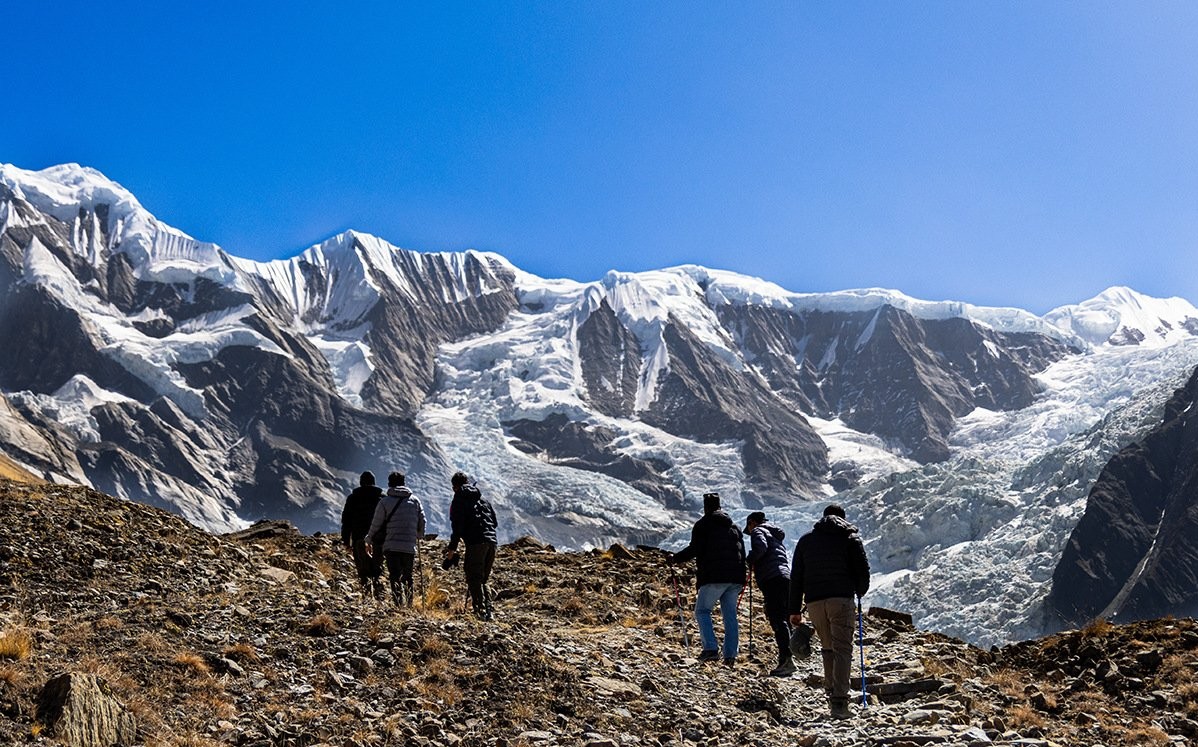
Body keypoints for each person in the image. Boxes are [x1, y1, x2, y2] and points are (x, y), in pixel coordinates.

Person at [788, 504, 871, 719]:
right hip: (841, 600)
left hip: (815, 603)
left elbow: (796, 576)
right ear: (843, 518)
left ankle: (830, 690)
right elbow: (862, 569)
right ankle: (840, 702)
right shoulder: (849, 538)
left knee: (827, 647)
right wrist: (860, 591)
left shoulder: (806, 541)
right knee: (842, 648)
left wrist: (794, 609)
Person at [668, 492, 747, 666]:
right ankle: (730, 655)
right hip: (735, 578)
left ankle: (710, 649)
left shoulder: (703, 525)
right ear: (720, 506)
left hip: (713, 576)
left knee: (702, 611)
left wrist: (675, 558)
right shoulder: (734, 526)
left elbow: (694, 548)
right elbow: (742, 552)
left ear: (705, 507)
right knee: (730, 615)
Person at [744, 511, 795, 677]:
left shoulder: (758, 531)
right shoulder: (775, 535)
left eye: (749, 527)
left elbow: (761, 548)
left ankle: (786, 661)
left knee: (777, 618)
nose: (749, 531)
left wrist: (750, 559)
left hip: (771, 577)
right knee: (785, 616)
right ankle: (794, 652)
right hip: (785, 576)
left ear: (752, 522)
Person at [444, 472, 498, 620]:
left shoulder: (458, 500)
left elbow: (457, 528)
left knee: (474, 577)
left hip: (475, 543)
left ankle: (479, 612)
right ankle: (489, 611)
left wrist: (452, 550)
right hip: (492, 542)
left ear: (455, 487)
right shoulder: (484, 500)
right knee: (483, 579)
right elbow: (494, 522)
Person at [367, 471, 426, 607]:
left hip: (391, 545)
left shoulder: (384, 502)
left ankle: (399, 604)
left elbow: (376, 523)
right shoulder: (415, 501)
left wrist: (369, 539)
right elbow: (422, 520)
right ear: (404, 483)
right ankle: (410, 604)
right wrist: (419, 535)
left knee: (394, 575)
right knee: (408, 575)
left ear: (389, 484)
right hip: (409, 547)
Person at [340, 471, 384, 597]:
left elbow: (346, 521)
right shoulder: (381, 498)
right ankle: (378, 593)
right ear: (374, 482)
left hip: (359, 538)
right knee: (378, 567)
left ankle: (366, 593)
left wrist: (346, 541)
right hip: (378, 539)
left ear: (360, 483)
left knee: (363, 569)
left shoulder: (352, 498)